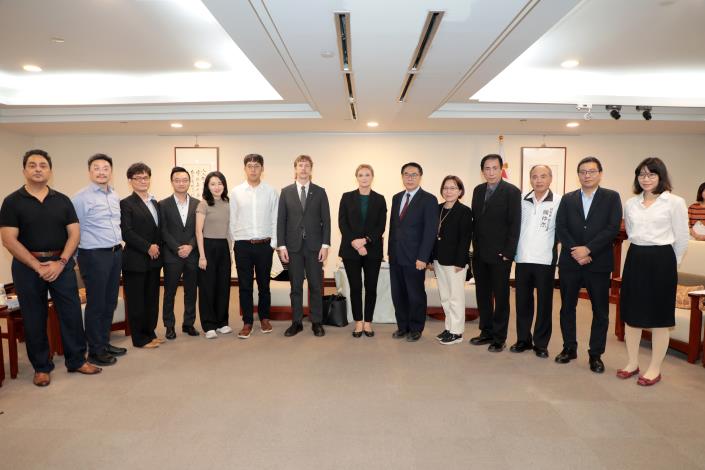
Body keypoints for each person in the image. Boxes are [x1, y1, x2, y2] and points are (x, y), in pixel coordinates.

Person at [0, 150, 101, 386]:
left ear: (50, 171)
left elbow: (74, 234)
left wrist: (61, 262)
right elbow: (8, 239)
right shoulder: (12, 202)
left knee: (71, 313)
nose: (38, 169)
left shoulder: (62, 200)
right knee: (34, 317)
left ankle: (77, 360)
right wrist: (37, 265)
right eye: (32, 165)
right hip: (27, 267)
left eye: (43, 165)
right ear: (24, 170)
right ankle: (41, 367)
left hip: (61, 264)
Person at [618, 157, 689, 386]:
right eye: (641, 174)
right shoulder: (631, 203)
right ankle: (632, 362)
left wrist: (671, 265)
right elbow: (631, 232)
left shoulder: (674, 202)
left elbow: (682, 238)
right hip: (636, 258)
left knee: (660, 317)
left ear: (661, 176)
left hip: (662, 261)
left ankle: (655, 368)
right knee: (631, 315)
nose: (646, 179)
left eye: (651, 174)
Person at [555, 156, 622, 373]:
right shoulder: (568, 199)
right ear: (578, 175)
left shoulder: (612, 197)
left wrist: (589, 249)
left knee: (600, 311)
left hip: (598, 262)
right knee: (567, 307)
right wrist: (577, 251)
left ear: (600, 174)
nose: (587, 175)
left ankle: (596, 355)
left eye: (592, 171)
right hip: (570, 262)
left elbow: (612, 228)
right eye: (583, 171)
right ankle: (569, 348)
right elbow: (561, 227)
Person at [73, 154, 126, 366]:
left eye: (106, 168)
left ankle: (104, 343)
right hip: (94, 255)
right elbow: (74, 230)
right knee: (96, 304)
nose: (102, 172)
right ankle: (95, 350)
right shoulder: (81, 198)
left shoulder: (114, 195)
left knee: (110, 301)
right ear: (89, 171)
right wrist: (76, 258)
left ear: (111, 172)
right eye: (97, 168)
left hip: (114, 253)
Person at [469, 154, 521, 352]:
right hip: (480, 253)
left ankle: (499, 337)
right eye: (487, 168)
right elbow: (476, 221)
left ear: (501, 169)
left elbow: (515, 224)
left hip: (501, 255)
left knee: (500, 297)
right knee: (482, 294)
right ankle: (486, 331)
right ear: (482, 171)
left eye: (494, 168)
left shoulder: (512, 191)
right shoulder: (478, 190)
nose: (491, 172)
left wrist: (509, 252)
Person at [277, 155, 331, 337]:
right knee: (296, 287)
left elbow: (326, 220)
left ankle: (317, 322)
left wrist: (325, 245)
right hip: (293, 247)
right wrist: (281, 246)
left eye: (307, 166)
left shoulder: (320, 192)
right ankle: (297, 322)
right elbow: (281, 221)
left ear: (311, 169)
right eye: (300, 165)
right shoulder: (286, 192)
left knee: (316, 285)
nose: (303, 168)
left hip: (315, 247)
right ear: (295, 169)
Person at [511, 165, 560, 358]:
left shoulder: (559, 201)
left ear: (550, 178)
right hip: (522, 258)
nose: (538, 180)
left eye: (543, 176)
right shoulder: (521, 200)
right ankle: (523, 339)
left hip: (545, 259)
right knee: (522, 302)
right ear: (530, 179)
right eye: (534, 176)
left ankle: (541, 343)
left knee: (544, 304)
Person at [229, 154, 279, 338]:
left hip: (265, 245)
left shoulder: (271, 192)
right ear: (245, 169)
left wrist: (273, 244)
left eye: (256, 166)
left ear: (262, 169)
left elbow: (275, 218)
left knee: (264, 284)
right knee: (245, 285)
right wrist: (235, 243)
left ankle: (264, 318)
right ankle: (247, 322)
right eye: (249, 166)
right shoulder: (236, 192)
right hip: (243, 245)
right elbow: (232, 220)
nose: (253, 169)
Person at [388, 162, 438, 342]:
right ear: (402, 177)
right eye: (406, 174)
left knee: (415, 294)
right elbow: (393, 227)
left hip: (416, 258)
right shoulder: (396, 198)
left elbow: (430, 231)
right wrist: (390, 252)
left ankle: (416, 328)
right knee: (398, 294)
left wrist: (423, 257)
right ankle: (403, 326)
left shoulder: (429, 199)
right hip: (396, 255)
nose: (410, 178)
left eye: (414, 174)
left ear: (420, 177)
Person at [338, 164, 387, 337]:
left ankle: (368, 323)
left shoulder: (380, 199)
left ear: (372, 177)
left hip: (372, 250)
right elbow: (342, 223)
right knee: (355, 287)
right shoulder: (347, 197)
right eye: (361, 175)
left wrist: (365, 241)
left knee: (371, 287)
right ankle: (358, 322)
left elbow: (381, 226)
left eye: (367, 175)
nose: (364, 178)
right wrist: (356, 243)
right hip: (350, 250)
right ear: (356, 177)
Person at [120, 163, 163, 349]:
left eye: (145, 177)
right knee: (137, 301)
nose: (142, 181)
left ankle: (150, 333)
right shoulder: (126, 203)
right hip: (135, 259)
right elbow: (126, 232)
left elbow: (158, 229)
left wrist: (156, 249)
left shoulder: (154, 202)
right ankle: (139, 338)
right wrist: (147, 247)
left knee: (151, 299)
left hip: (154, 260)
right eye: (138, 178)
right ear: (130, 181)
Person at [159, 167, 200, 339]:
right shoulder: (163, 204)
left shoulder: (198, 204)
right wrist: (177, 248)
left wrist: (190, 246)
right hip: (172, 255)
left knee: (191, 292)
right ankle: (169, 326)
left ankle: (188, 324)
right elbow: (163, 230)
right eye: (177, 180)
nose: (181, 183)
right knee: (169, 292)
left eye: (184, 180)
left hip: (192, 254)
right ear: (172, 182)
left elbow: (200, 229)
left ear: (189, 182)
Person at [432, 175, 473, 345]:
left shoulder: (464, 211)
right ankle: (449, 327)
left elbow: (465, 238)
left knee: (456, 297)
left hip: (455, 262)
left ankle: (457, 332)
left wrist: (460, 261)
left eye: (453, 188)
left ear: (460, 191)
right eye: (446, 188)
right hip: (438, 259)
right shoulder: (437, 208)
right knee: (445, 296)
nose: (448, 191)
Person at [196, 172, 232, 339]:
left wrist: (230, 251)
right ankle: (209, 325)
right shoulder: (203, 204)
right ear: (207, 187)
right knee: (207, 287)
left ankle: (222, 322)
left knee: (223, 286)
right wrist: (202, 256)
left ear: (224, 185)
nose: (217, 187)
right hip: (208, 246)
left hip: (223, 247)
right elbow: (198, 231)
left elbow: (229, 230)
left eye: (220, 183)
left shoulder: (228, 203)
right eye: (213, 184)